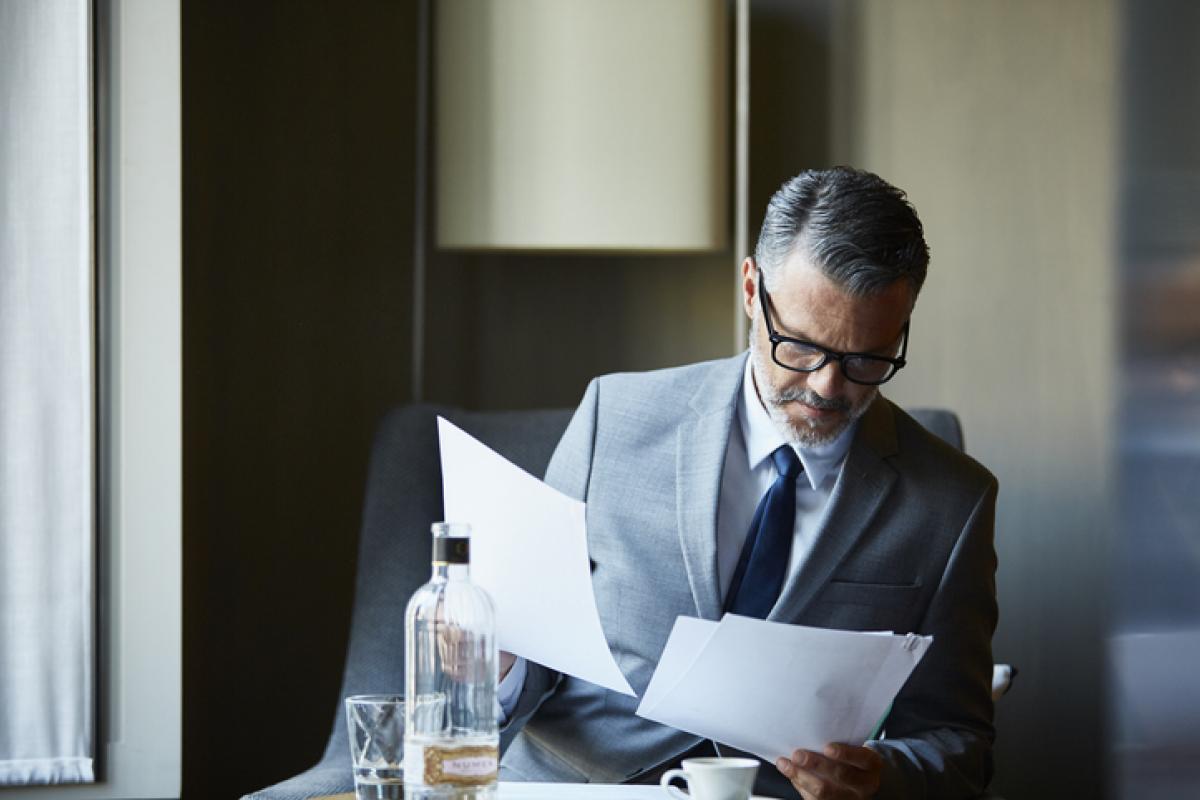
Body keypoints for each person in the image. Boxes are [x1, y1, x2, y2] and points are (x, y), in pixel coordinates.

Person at [497, 167, 998, 800]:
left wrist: (881, 777)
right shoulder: (612, 419)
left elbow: (957, 740)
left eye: (867, 359)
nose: (826, 386)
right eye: (799, 346)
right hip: (580, 786)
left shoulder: (953, 500)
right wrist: (497, 667)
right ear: (750, 288)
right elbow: (534, 648)